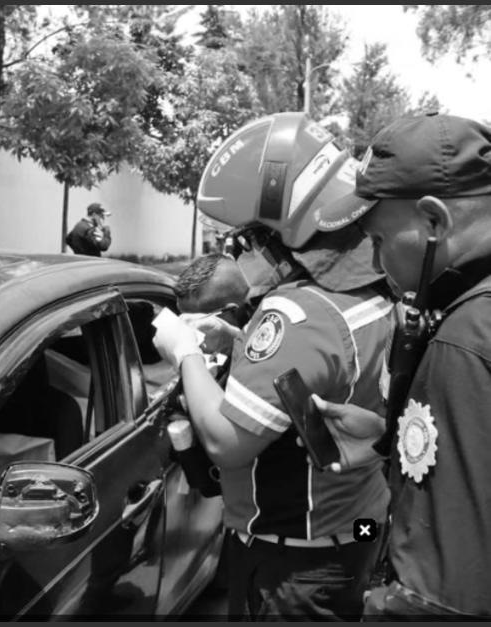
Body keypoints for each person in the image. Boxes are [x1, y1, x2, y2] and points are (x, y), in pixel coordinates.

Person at [152, 112, 394, 620]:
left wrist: (185, 352)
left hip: (297, 561)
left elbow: (227, 443)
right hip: (361, 528)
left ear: (279, 236)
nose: (237, 253)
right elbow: (332, 368)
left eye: (244, 240)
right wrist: (242, 338)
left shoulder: (296, 313)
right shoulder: (375, 285)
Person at [312, 112, 491, 619]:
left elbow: (441, 595)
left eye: (379, 241)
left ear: (434, 220)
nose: (374, 263)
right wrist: (391, 440)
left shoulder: (468, 339)